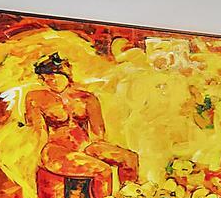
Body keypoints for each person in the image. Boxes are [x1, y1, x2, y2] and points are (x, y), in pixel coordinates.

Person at [25, 52, 141, 189]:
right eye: (47, 79)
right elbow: (36, 132)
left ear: (67, 75)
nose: (53, 82)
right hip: (56, 150)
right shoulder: (36, 98)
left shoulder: (87, 98)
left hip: (85, 147)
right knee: (103, 171)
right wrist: (35, 159)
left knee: (130, 158)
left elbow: (98, 134)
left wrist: (97, 151)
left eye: (56, 76)